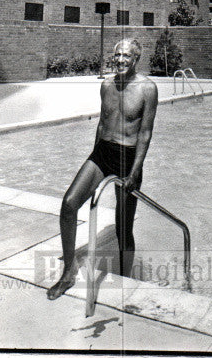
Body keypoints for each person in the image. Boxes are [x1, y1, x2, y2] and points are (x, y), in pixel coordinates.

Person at [46, 37, 158, 300]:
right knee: (69, 203)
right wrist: (93, 159)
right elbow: (102, 123)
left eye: (126, 56)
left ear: (136, 59)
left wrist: (133, 173)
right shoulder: (107, 85)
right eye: (117, 54)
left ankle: (126, 280)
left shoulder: (148, 89)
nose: (120, 60)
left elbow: (145, 134)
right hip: (103, 152)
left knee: (123, 227)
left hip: (129, 159)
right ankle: (68, 274)